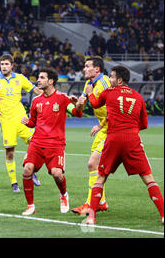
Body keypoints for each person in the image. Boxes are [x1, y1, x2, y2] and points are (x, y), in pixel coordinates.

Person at [84, 65, 164, 225]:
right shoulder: (138, 96)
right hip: (132, 139)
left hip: (113, 139)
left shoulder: (108, 92)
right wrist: (131, 129)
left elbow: (94, 103)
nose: (110, 80)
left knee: (101, 177)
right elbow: (144, 124)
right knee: (148, 178)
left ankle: (91, 217)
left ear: (119, 80)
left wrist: (89, 93)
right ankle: (163, 215)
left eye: (112, 77)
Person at [20, 68, 83, 215]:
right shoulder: (36, 101)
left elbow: (76, 113)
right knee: (27, 169)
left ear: (50, 81)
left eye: (42, 78)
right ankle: (31, 205)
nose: (38, 80)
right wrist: (26, 122)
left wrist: (78, 104)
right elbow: (33, 122)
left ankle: (63, 195)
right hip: (37, 142)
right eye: (38, 77)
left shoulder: (62, 98)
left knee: (56, 174)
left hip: (56, 144)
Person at [0, 54, 42, 193]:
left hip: (21, 119)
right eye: (2, 64)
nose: (4, 66)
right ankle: (14, 183)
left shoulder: (20, 78)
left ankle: (30, 169)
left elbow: (35, 90)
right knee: (10, 153)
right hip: (6, 121)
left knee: (35, 144)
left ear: (12, 65)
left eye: (6, 64)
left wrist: (49, 95)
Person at [72, 57, 111, 215]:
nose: (84, 69)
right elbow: (79, 111)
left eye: (87, 66)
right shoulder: (89, 84)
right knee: (95, 166)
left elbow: (115, 107)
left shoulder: (106, 83)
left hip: (115, 129)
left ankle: (90, 204)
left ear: (97, 69)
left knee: (92, 163)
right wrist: (78, 103)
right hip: (104, 129)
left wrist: (101, 125)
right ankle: (101, 201)